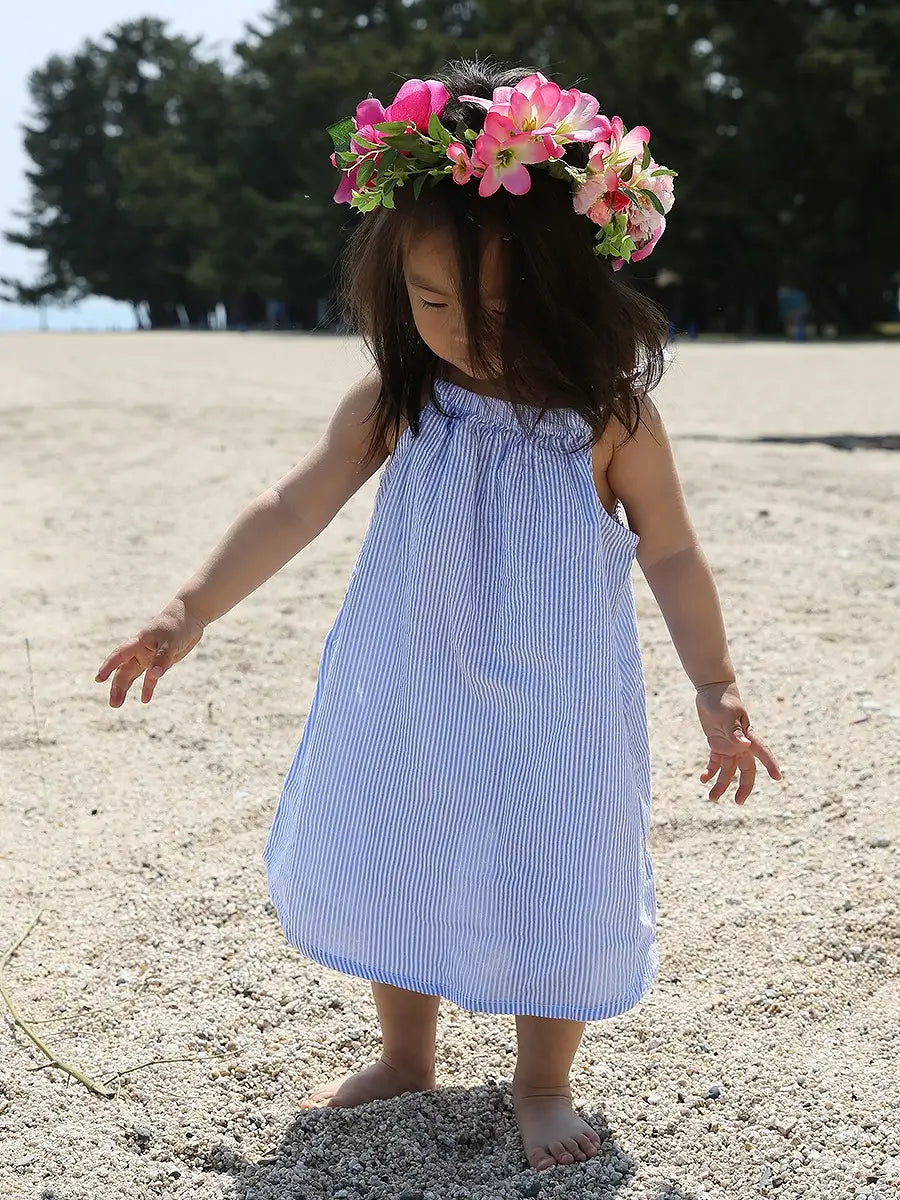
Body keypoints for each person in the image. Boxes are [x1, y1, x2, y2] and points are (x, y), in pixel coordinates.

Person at [95, 58, 782, 1175]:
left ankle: (542, 1080)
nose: (466, 330)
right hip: (410, 677)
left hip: (556, 699)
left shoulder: (608, 418)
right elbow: (295, 502)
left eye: (501, 307)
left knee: (558, 862)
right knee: (399, 843)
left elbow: (671, 549)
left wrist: (714, 682)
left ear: (569, 284)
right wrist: (191, 607)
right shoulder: (403, 397)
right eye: (432, 303)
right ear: (394, 289)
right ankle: (405, 1054)